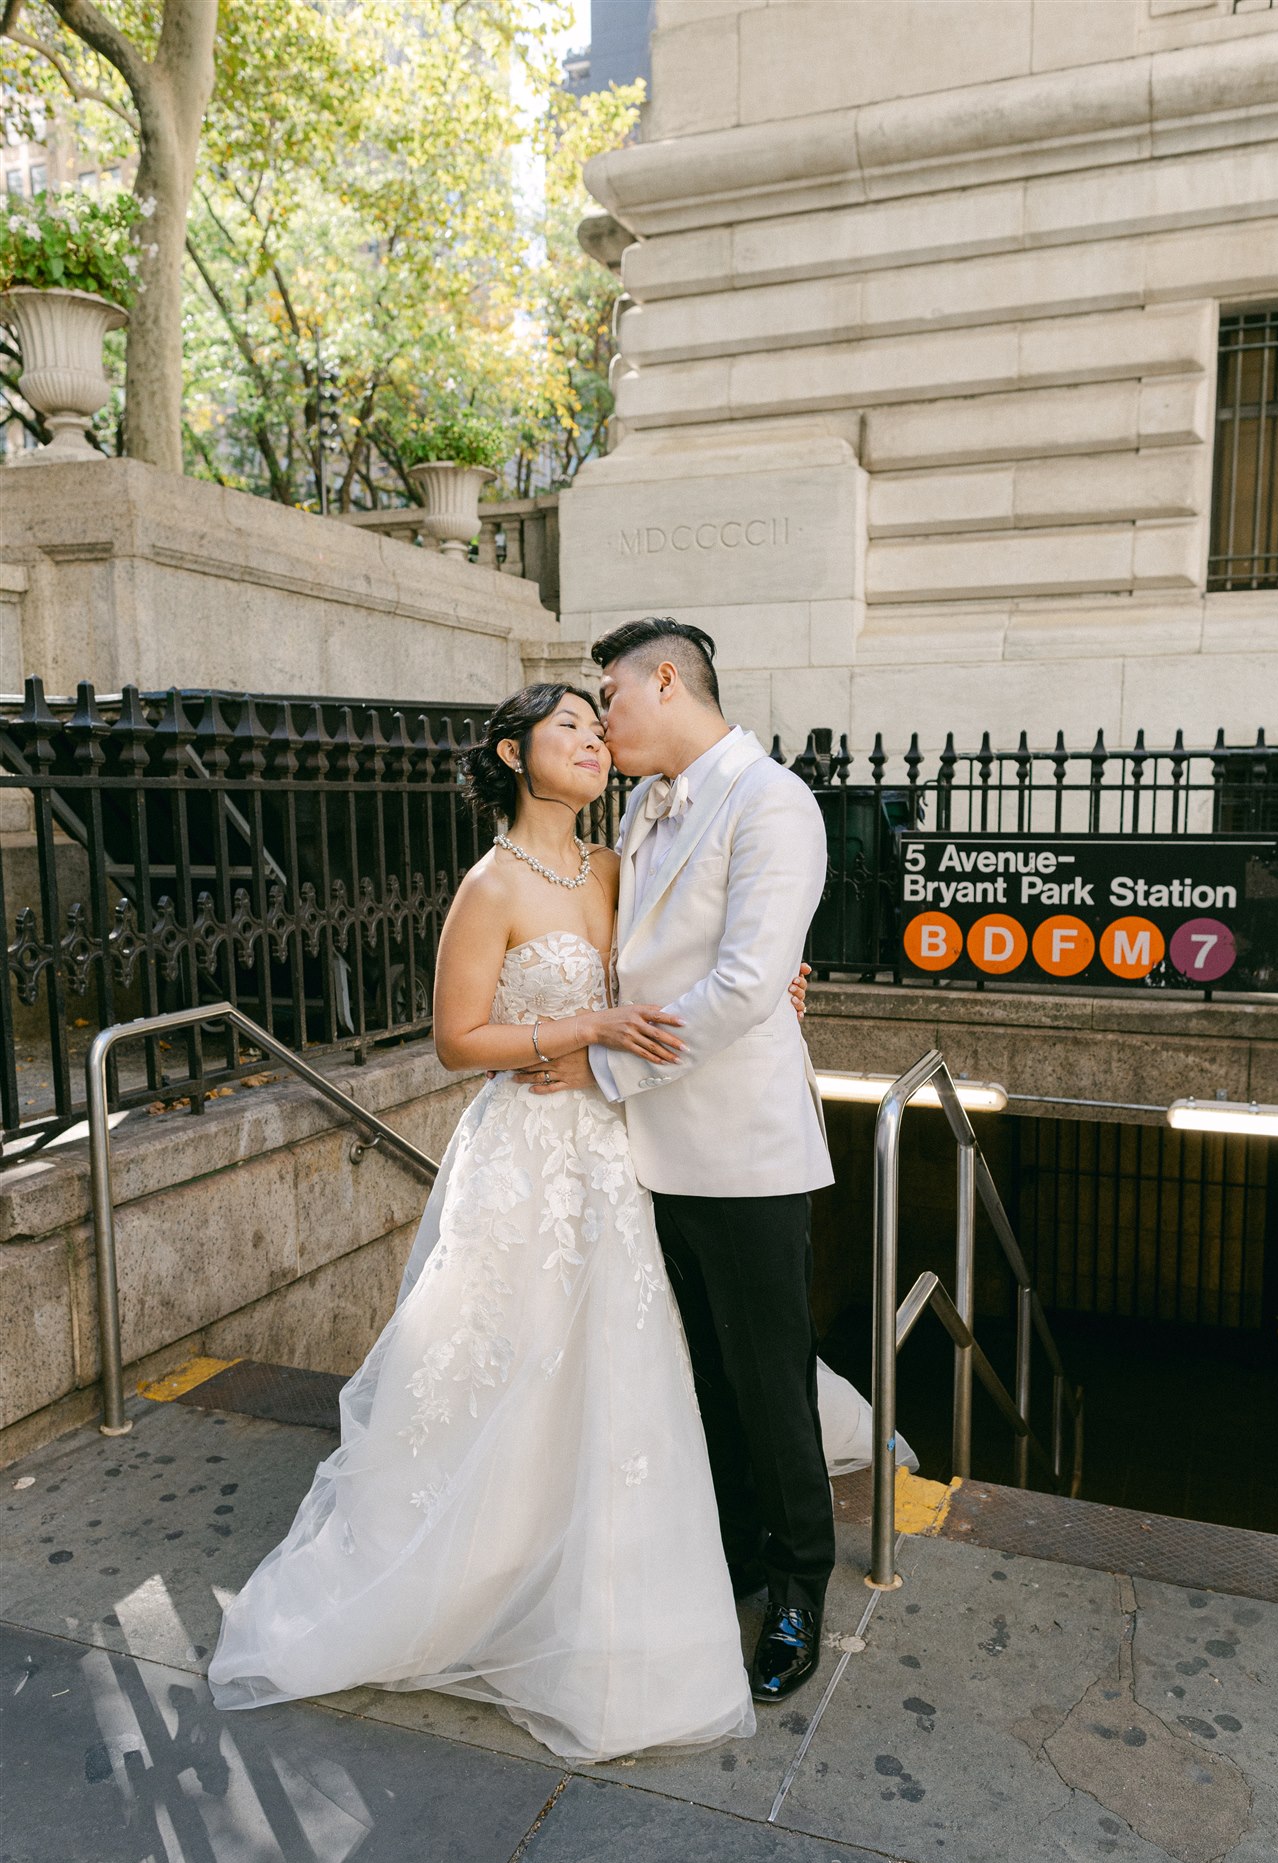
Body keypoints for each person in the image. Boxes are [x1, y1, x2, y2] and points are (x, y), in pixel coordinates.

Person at [209, 678, 894, 1759]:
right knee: (508, 1360)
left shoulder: (624, 865)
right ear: (512, 751)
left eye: (595, 720)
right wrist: (575, 1033)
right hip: (526, 1159)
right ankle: (490, 1560)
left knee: (633, 1364)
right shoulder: (490, 885)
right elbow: (456, 1040)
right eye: (567, 725)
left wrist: (777, 982)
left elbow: (697, 962)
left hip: (626, 1150)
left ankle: (680, 1561)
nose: (590, 738)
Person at [530, 618, 839, 1705]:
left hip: (744, 1154)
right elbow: (645, 956)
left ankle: (800, 1583)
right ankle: (742, 1554)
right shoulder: (645, 811)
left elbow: (752, 980)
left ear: (667, 679)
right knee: (705, 1378)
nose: (603, 718)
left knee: (770, 1382)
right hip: (650, 1157)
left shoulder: (772, 800)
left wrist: (601, 1069)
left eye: (609, 694)